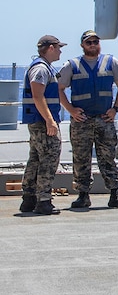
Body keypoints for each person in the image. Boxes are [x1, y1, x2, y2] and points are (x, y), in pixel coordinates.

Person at [58, 29, 118, 209]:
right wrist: (70, 110)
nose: (93, 45)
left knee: (108, 157)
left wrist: (115, 109)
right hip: (81, 121)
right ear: (82, 45)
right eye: (89, 42)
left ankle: (115, 194)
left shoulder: (111, 62)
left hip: (104, 120)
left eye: (95, 42)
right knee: (81, 158)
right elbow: (58, 89)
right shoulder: (72, 65)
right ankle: (83, 195)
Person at [19, 36, 67, 216]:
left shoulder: (42, 67)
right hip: (42, 123)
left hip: (38, 122)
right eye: (59, 47)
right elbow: (38, 95)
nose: (61, 51)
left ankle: (29, 199)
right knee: (49, 158)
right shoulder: (40, 69)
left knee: (36, 159)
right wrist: (49, 120)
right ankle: (43, 200)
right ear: (51, 48)